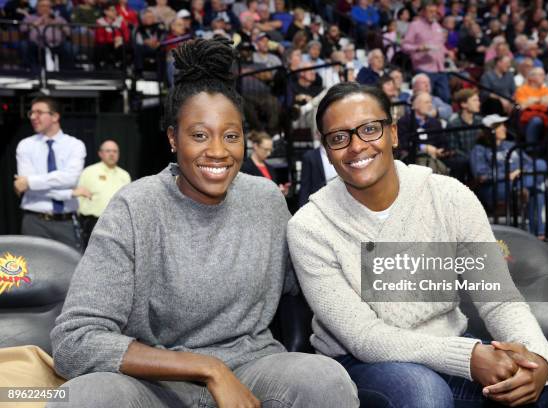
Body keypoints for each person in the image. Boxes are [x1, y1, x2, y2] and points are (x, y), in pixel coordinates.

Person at [48, 38, 358, 408]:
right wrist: (207, 368)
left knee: (322, 379)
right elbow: (74, 341)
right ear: (173, 139)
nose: (217, 151)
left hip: (251, 367)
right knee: (83, 397)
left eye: (231, 136)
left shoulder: (265, 200)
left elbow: (314, 279)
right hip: (155, 380)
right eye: (199, 135)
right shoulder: (135, 207)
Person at [286, 81, 548, 408]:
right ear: (326, 149)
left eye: (370, 129)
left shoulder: (449, 196)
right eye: (339, 137)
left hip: (452, 345)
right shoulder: (310, 226)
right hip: (360, 361)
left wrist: (536, 359)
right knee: (425, 394)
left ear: (393, 133)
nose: (356, 146)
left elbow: (499, 299)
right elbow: (364, 337)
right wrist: (468, 358)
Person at [14, 96, 86, 250]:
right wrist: (69, 193)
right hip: (34, 222)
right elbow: (27, 187)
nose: (33, 117)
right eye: (31, 113)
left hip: (66, 222)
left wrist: (31, 182)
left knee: (71, 269)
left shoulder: (75, 145)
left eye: (39, 112)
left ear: (55, 116)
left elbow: (71, 179)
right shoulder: (25, 145)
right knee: (33, 270)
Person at [470, 115, 547, 238]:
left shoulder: (510, 145)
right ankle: (539, 233)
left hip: (518, 181)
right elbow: (481, 175)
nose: (504, 128)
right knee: (537, 191)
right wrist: (507, 176)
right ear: (491, 130)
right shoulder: (480, 149)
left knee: (540, 164)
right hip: (496, 187)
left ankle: (525, 189)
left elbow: (529, 163)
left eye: (504, 125)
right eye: (500, 126)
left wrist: (520, 171)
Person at [74, 140, 131, 248]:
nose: (112, 154)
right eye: (108, 151)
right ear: (100, 153)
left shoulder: (125, 175)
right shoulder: (89, 172)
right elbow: (78, 198)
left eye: (115, 151)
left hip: (119, 224)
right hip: (93, 223)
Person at [401, 0, 451, 103]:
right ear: (423, 12)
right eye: (430, 11)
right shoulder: (415, 25)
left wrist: (447, 52)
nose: (433, 14)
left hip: (440, 68)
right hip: (424, 68)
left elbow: (440, 45)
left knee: (446, 98)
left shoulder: (437, 26)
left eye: (435, 11)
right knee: (426, 99)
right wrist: (419, 48)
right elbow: (405, 46)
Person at [515, 67, 548, 144]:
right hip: (527, 120)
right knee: (536, 121)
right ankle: (531, 148)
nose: (544, 77)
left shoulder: (546, 89)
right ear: (531, 77)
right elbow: (522, 106)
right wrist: (541, 100)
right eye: (541, 75)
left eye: (543, 75)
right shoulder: (522, 89)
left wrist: (534, 100)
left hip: (546, 116)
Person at [241, 131, 290, 196]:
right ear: (255, 146)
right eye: (266, 149)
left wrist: (280, 193)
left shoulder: (270, 168)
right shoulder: (245, 167)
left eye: (270, 150)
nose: (269, 153)